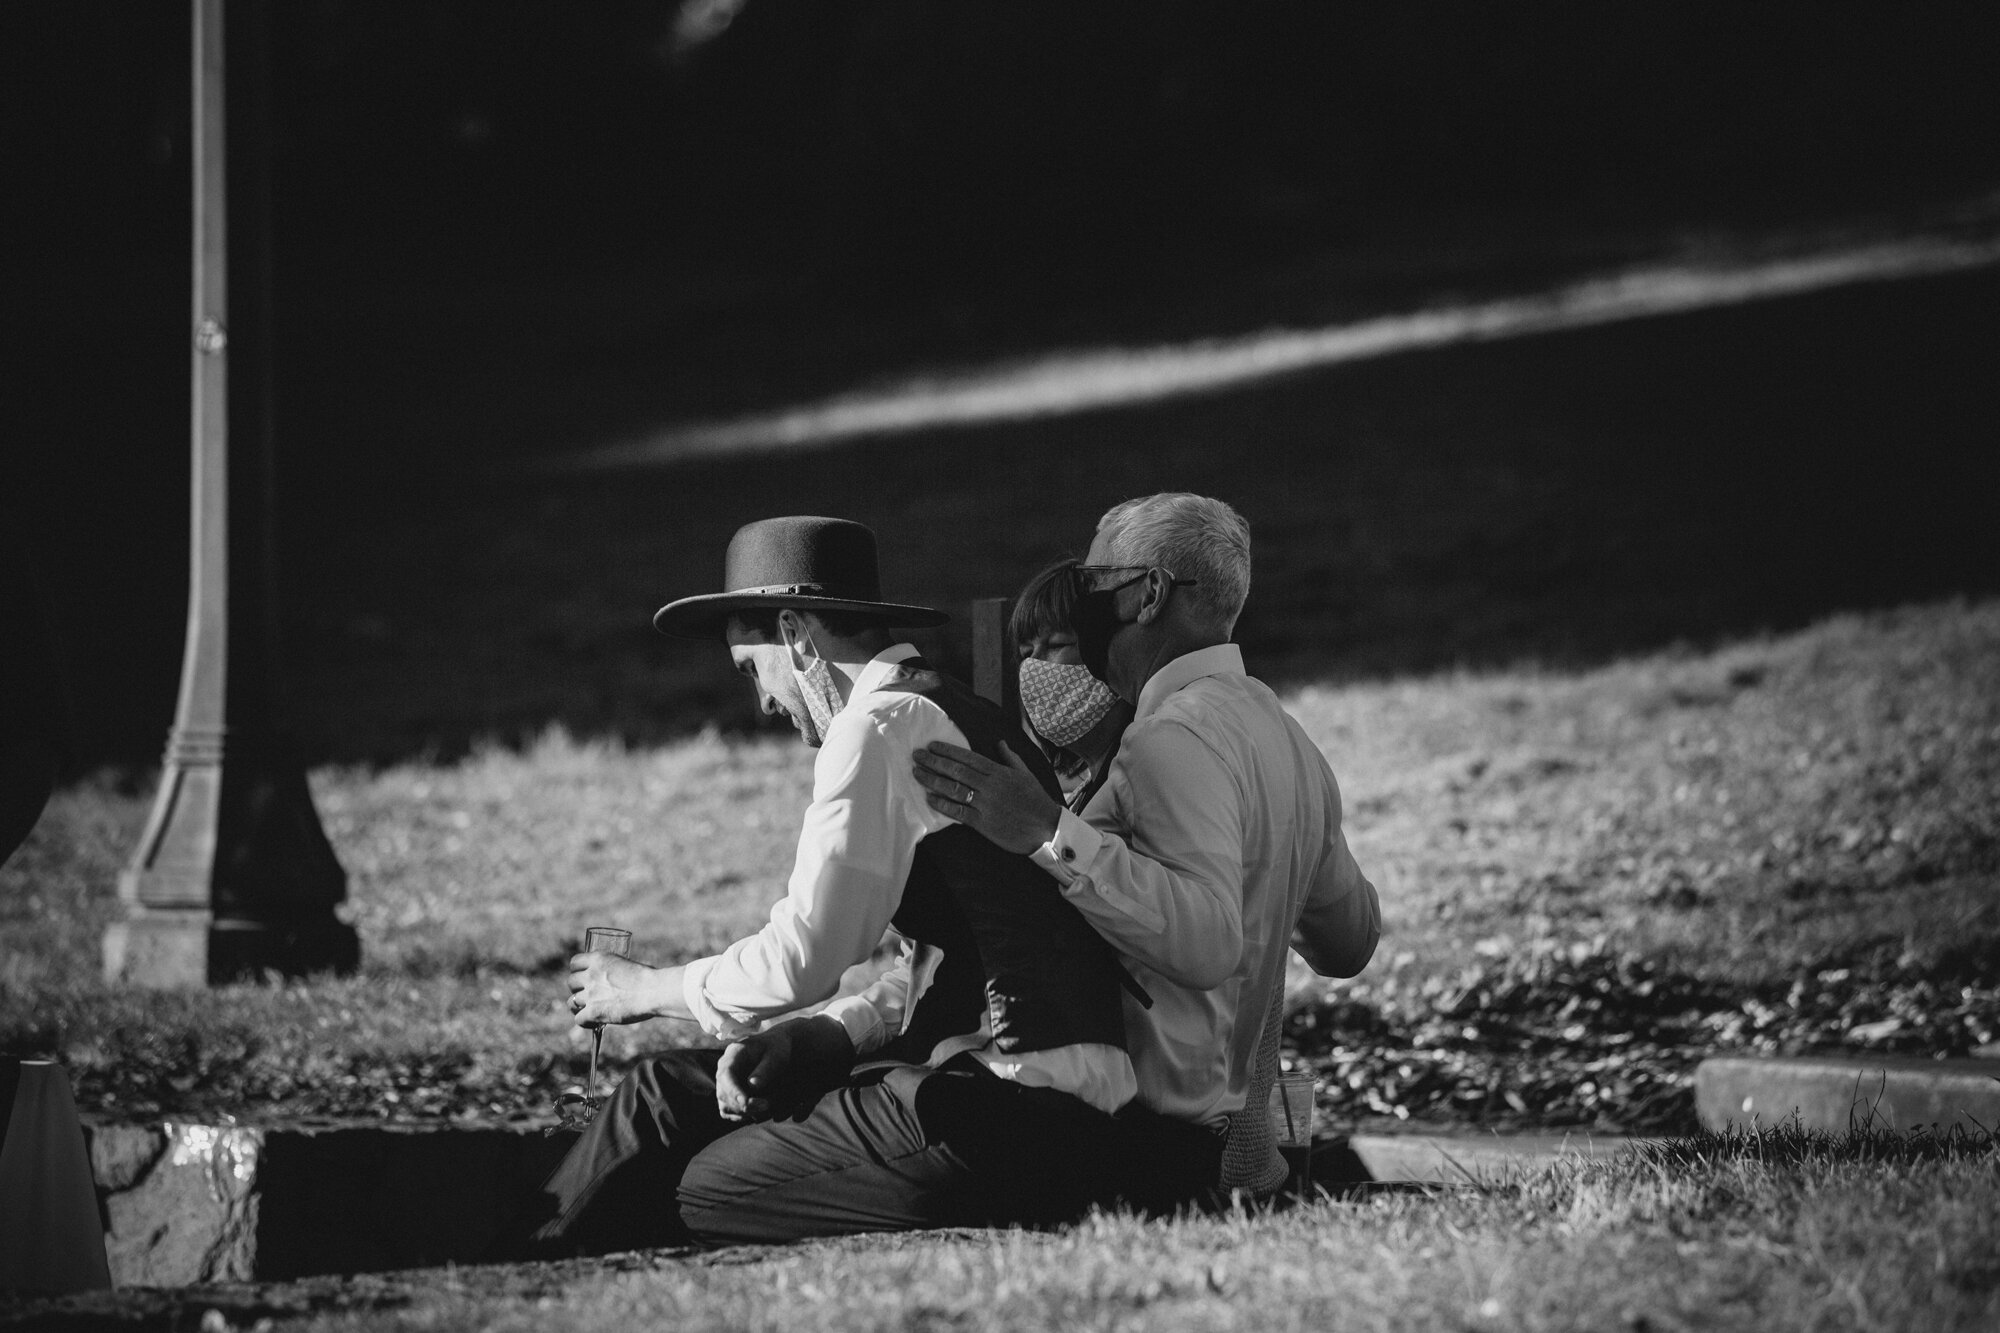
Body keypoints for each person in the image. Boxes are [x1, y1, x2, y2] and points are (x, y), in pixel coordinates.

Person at [495, 515, 1198, 1257]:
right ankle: (524, 1251)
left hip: (1006, 1108)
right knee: (662, 1094)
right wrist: (822, 1037)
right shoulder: (952, 708)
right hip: (1031, 1099)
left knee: (688, 1179)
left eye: (752, 669)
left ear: (798, 636)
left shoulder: (878, 725)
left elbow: (806, 951)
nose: (762, 702)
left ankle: (521, 1265)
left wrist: (642, 989)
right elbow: (953, 953)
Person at [913, 492, 1381, 1201]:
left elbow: (1208, 940)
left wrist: (1047, 832)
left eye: (1094, 584)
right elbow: (1350, 942)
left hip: (1144, 1144)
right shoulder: (1287, 737)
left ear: (1148, 593)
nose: (1080, 600)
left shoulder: (1168, 737)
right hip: (1227, 1149)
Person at [1009, 559, 1133, 812]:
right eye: (1025, 653)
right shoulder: (1083, 794)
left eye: (1056, 645)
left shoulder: (1144, 774)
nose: (1033, 668)